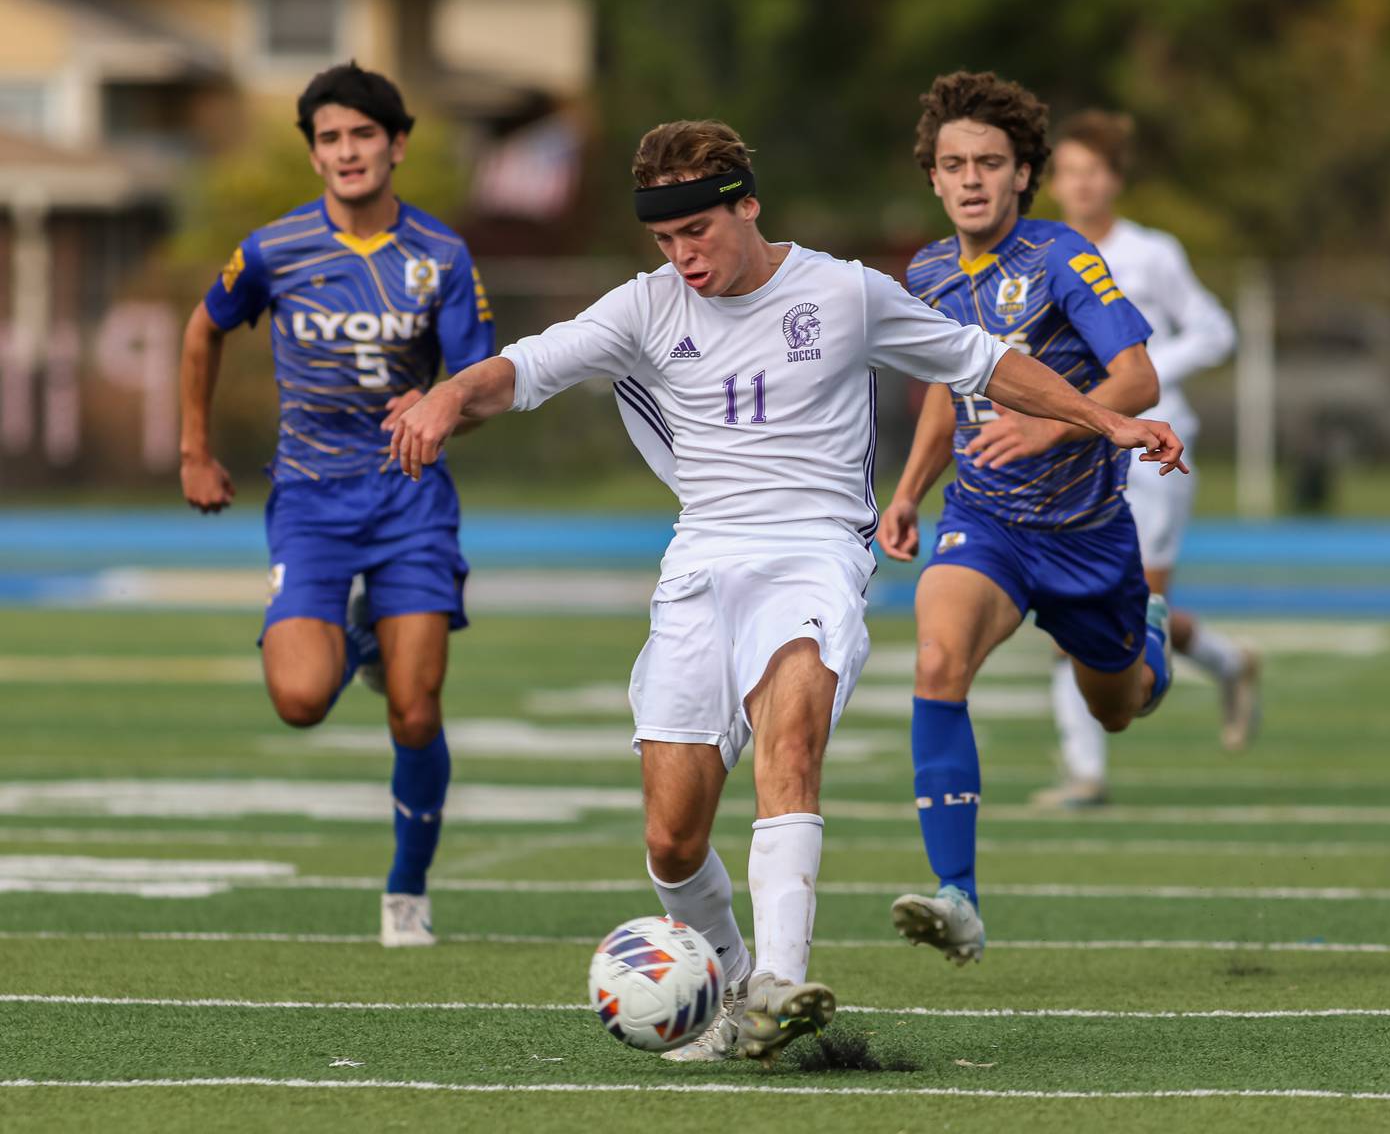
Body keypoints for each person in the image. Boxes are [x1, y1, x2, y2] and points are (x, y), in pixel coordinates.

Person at [389, 118, 1185, 1062]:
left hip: (815, 555)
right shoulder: (643, 308)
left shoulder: (845, 292)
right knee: (673, 840)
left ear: (746, 205)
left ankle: (776, 979)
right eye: (666, 240)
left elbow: (982, 363)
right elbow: (524, 368)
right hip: (700, 564)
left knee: (791, 738)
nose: (684, 256)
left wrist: (1101, 417)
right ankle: (729, 987)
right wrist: (445, 398)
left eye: (699, 233)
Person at [178, 63, 495, 948]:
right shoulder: (276, 248)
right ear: (313, 154)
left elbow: (474, 385)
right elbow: (204, 327)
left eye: (363, 135)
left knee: (416, 711)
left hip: (409, 502)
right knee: (300, 701)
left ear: (396, 144)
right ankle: (360, 634)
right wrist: (195, 450)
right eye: (329, 138)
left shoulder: (441, 256)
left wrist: (441, 414)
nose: (347, 152)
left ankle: (406, 891)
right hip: (312, 503)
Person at [876, 70, 1184, 968]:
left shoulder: (1061, 256)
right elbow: (946, 385)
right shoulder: (927, 273)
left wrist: (1047, 424)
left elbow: (1137, 378)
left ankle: (1149, 642)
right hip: (987, 523)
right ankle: (957, 897)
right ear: (933, 178)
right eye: (953, 164)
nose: (971, 179)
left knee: (1117, 707)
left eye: (991, 163)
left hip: (1087, 534)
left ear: (1023, 175)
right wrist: (910, 490)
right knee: (937, 659)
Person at [1035, 109, 1260, 807]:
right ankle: (1087, 772)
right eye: (1067, 172)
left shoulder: (1151, 252)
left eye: (1093, 172)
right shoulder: (1038, 251)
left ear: (1116, 180)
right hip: (1077, 449)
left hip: (1155, 447)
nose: (1080, 186)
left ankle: (1225, 662)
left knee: (1140, 612)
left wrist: (1140, 369)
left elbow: (1216, 329)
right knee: (1068, 607)